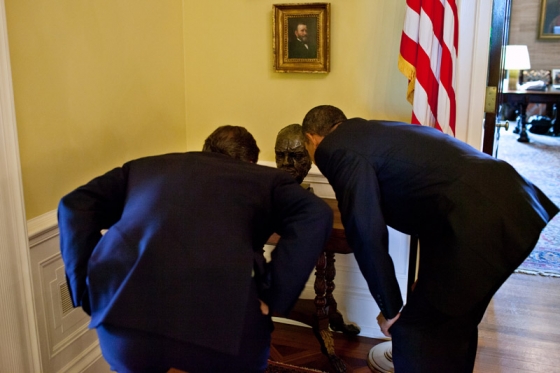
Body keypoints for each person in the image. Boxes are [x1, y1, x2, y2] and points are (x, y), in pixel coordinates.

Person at [301, 105, 559, 372]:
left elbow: (366, 234)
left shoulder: (336, 148)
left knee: (417, 333)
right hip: (512, 203)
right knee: (452, 328)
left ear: (312, 138)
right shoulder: (372, 131)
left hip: (481, 221)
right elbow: (436, 201)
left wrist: (390, 309)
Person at [58, 125, 333, 373]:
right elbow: (316, 213)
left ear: (205, 150)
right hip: (225, 328)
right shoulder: (263, 178)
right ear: (249, 162)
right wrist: (275, 294)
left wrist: (85, 288)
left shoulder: (143, 167)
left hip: (125, 318)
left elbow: (74, 205)